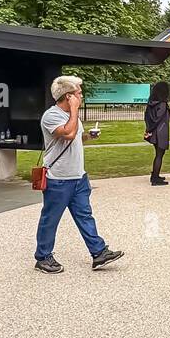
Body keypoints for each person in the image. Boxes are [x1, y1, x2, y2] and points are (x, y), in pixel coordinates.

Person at [33, 75, 124, 275]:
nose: (81, 96)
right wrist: (74, 110)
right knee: (51, 218)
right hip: (58, 178)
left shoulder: (73, 116)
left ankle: (98, 252)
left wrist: (88, 136)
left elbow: (75, 138)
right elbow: (67, 134)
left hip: (78, 176)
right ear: (68, 97)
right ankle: (42, 257)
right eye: (78, 94)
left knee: (85, 215)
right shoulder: (51, 116)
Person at [143, 81, 170, 186]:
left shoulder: (151, 103)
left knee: (158, 154)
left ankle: (155, 174)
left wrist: (149, 130)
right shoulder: (162, 104)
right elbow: (158, 119)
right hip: (161, 131)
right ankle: (155, 178)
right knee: (159, 155)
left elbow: (147, 117)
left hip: (154, 131)